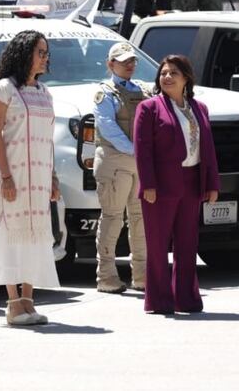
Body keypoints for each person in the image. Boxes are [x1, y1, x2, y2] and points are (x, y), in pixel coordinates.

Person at [133, 55, 220, 314]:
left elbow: (209, 149)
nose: (167, 77)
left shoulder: (199, 108)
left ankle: (187, 298)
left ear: (186, 78)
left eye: (174, 73)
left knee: (187, 244)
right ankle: (159, 300)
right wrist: (148, 184)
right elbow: (142, 150)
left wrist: (212, 183)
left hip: (192, 182)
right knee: (158, 245)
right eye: (164, 73)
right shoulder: (149, 108)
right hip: (160, 186)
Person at [0, 30, 60, 327]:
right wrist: (6, 176)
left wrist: (53, 177)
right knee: (12, 234)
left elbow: (49, 139)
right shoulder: (4, 89)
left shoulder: (44, 93)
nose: (45, 57)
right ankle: (13, 303)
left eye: (46, 52)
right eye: (40, 52)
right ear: (24, 53)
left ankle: (29, 299)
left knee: (35, 235)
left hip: (40, 178)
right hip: (13, 173)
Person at [92, 42, 150, 294]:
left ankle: (142, 275)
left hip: (138, 164)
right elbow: (107, 127)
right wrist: (136, 150)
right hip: (115, 162)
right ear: (110, 64)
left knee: (140, 220)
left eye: (132, 60)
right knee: (113, 218)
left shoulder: (143, 90)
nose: (130, 64)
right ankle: (106, 275)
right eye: (124, 60)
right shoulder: (105, 93)